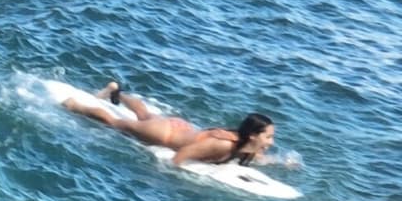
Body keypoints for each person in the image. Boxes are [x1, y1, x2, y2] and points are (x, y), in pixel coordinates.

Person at [62, 80, 277, 169]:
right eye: (268, 137)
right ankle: (74, 105)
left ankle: (116, 91)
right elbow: (182, 154)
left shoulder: (245, 146)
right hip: (163, 135)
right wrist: (171, 174)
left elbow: (256, 156)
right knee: (115, 123)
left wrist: (282, 162)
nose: (271, 141)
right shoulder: (224, 145)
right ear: (252, 135)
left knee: (145, 114)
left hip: (179, 128)